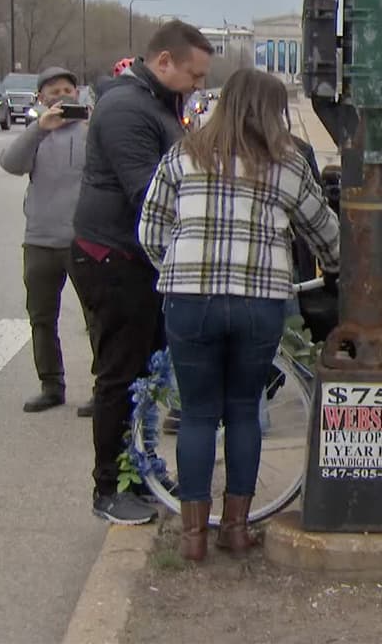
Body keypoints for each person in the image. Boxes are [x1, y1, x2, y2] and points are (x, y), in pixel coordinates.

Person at [139, 69, 340, 562]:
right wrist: (335, 265)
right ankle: (235, 528)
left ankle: (192, 537)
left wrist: (180, 269)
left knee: (197, 413)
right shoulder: (288, 163)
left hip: (190, 300)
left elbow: (150, 231)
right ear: (274, 112)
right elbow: (326, 234)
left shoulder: (183, 154)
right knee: (244, 410)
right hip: (258, 301)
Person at [68, 20, 213, 526]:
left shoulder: (158, 103)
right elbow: (149, 192)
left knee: (147, 376)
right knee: (120, 376)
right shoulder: (127, 109)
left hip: (139, 261)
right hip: (113, 258)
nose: (198, 86)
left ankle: (140, 473)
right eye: (194, 75)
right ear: (164, 61)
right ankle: (109, 487)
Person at [0, 66, 96, 414]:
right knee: (41, 317)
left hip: (83, 240)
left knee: (96, 318)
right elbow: (11, 163)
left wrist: (93, 124)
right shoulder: (37, 133)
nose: (61, 97)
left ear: (78, 93)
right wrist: (40, 128)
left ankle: (103, 387)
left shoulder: (91, 130)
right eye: (53, 92)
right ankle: (51, 385)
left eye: (67, 90)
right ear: (41, 99)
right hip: (40, 239)